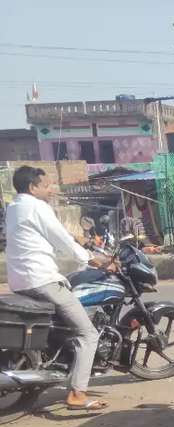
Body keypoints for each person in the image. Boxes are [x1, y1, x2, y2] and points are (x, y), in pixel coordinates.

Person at [4, 166, 116, 411]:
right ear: (33, 187)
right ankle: (77, 394)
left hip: (22, 281)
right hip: (42, 281)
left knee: (65, 323)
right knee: (88, 334)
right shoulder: (37, 206)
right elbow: (61, 239)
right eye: (46, 185)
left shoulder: (13, 208)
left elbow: (54, 236)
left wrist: (84, 244)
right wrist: (91, 259)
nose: (51, 189)